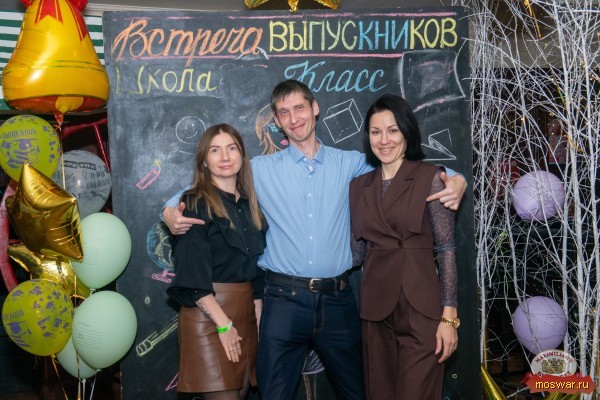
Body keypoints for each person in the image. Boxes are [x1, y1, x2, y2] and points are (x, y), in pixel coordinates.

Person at [162, 80, 467, 400]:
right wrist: (169, 209)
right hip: (283, 300)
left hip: (338, 300)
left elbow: (403, 166)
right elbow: (208, 185)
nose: (294, 118)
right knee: (273, 394)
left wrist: (455, 177)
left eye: (299, 108)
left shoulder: (351, 163)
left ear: (315, 108)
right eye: (284, 113)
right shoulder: (259, 169)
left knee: (359, 392)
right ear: (277, 121)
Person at [349, 94, 459, 400]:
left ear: (407, 132)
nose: (384, 140)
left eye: (393, 130)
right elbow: (355, 254)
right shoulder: (358, 187)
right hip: (376, 309)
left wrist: (449, 318)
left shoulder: (430, 178)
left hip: (421, 307)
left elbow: (447, 249)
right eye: (376, 132)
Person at [165, 123, 267, 400]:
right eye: (215, 150)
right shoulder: (194, 202)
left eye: (231, 148)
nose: (224, 157)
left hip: (246, 316)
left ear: (242, 155)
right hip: (209, 315)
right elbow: (192, 274)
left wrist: (258, 325)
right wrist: (223, 325)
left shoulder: (251, 206)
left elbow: (256, 276)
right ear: (204, 161)